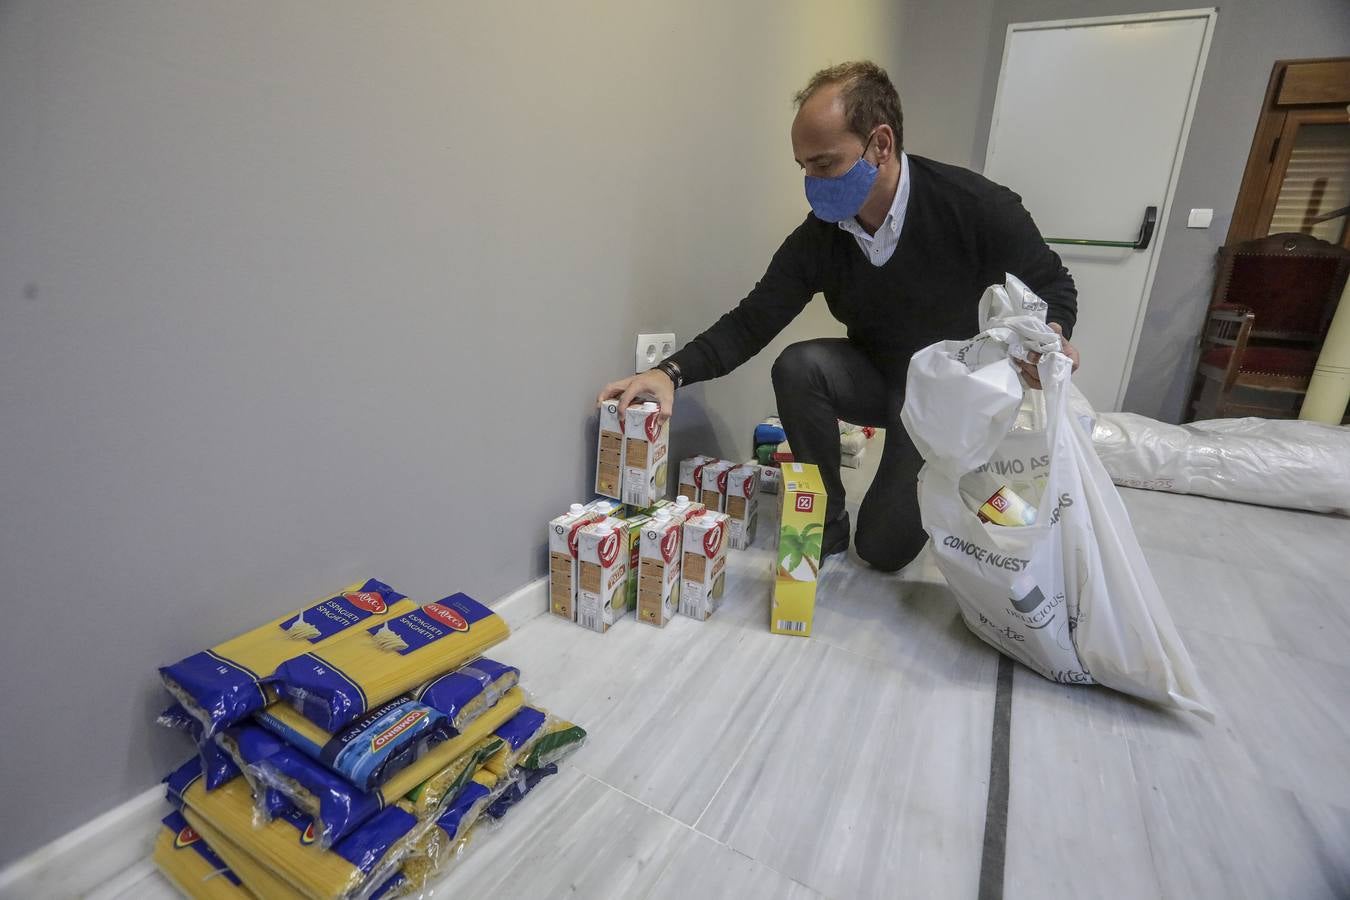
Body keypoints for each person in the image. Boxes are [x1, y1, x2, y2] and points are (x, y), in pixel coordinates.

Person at [598, 61, 1080, 572]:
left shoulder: (977, 207)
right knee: (798, 365)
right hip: (879, 377)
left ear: (881, 144)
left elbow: (1054, 286)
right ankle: (823, 524)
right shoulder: (823, 236)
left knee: (881, 551)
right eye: (802, 166)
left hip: (945, 398)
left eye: (824, 164)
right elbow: (753, 319)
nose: (811, 181)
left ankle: (960, 475)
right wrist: (668, 372)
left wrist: (1051, 333)